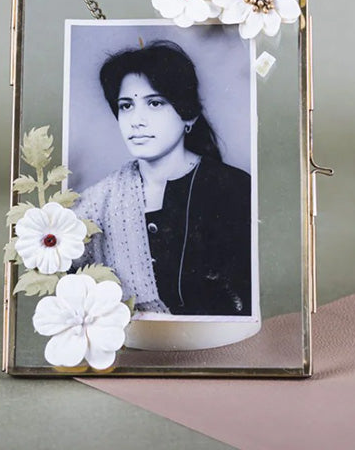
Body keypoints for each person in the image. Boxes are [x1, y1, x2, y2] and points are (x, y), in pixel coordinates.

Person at [72, 40, 252, 316]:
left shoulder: (233, 188)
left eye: (154, 103)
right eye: (126, 106)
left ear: (188, 115)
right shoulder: (97, 202)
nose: (136, 120)